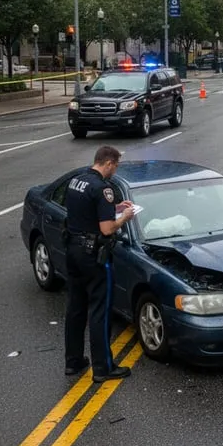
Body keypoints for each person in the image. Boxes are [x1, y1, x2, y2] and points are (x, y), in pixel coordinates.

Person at [64, 145, 136, 382]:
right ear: (108, 163)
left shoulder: (77, 181)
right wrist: (124, 217)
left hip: (72, 251)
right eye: (115, 166)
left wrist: (114, 208)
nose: (115, 170)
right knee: (100, 311)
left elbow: (86, 211)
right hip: (93, 255)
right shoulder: (103, 188)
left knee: (76, 308)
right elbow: (106, 228)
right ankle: (103, 368)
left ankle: (74, 362)